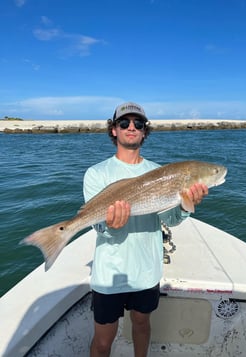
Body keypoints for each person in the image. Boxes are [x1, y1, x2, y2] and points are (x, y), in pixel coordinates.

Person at [83, 102, 208, 357]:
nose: (131, 127)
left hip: (146, 271)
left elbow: (170, 220)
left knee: (141, 325)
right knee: (103, 341)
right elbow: (96, 224)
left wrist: (186, 205)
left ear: (144, 131)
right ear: (114, 130)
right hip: (109, 274)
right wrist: (110, 225)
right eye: (124, 123)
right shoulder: (96, 173)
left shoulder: (158, 172)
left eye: (138, 123)